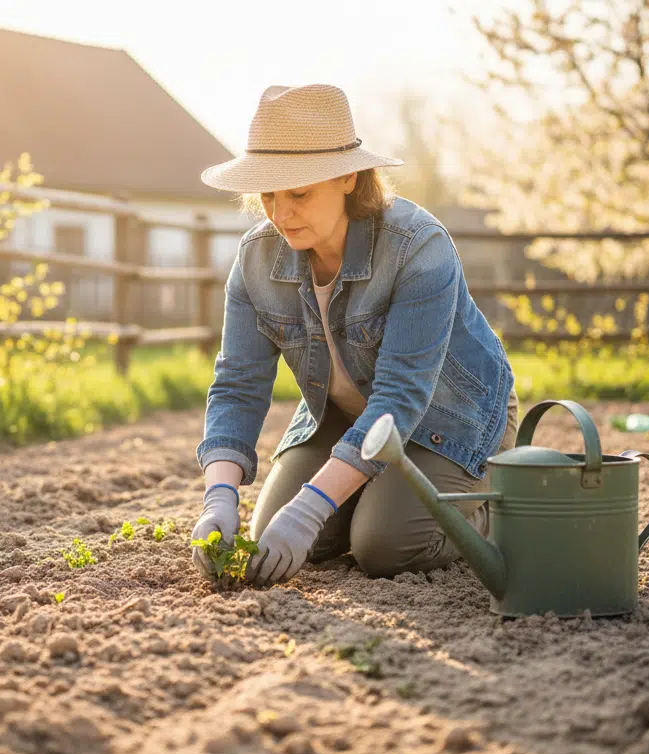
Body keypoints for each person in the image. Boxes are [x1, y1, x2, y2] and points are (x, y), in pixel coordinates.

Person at [191, 84, 519, 588]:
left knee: (385, 547)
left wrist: (310, 506)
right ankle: (371, 494)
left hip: (450, 416)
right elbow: (237, 384)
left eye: (299, 193)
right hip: (342, 415)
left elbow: (401, 396)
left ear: (348, 177)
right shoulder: (255, 258)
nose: (280, 214)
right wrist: (219, 497)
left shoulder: (418, 245)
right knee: (291, 542)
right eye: (269, 194)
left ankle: (500, 500)